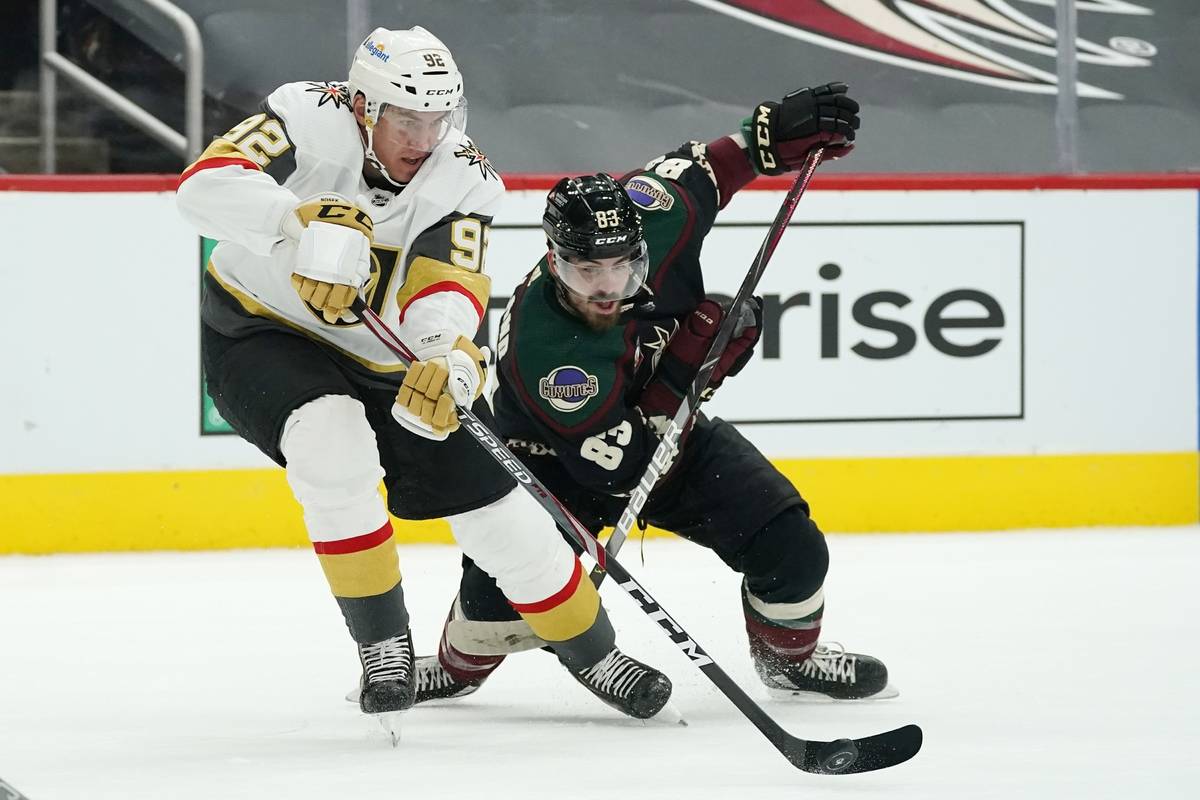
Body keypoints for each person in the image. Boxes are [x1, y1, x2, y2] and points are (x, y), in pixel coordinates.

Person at [175, 26, 672, 729]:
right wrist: (294, 223)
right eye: (407, 118)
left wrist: (446, 356)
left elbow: (447, 281)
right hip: (260, 329)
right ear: (361, 108)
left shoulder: (463, 174)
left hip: (389, 355)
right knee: (330, 442)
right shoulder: (303, 115)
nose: (423, 137)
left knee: (501, 515)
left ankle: (594, 653)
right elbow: (202, 187)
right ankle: (384, 649)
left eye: (439, 118)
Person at [412, 83, 896, 705]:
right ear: (554, 261)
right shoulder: (548, 351)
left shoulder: (656, 209)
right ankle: (457, 667)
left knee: (793, 549)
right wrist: (694, 365)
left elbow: (713, 167)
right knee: (501, 609)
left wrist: (766, 138)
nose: (608, 286)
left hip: (670, 436)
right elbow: (627, 467)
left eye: (622, 266)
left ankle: (788, 658)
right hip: (549, 462)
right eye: (586, 271)